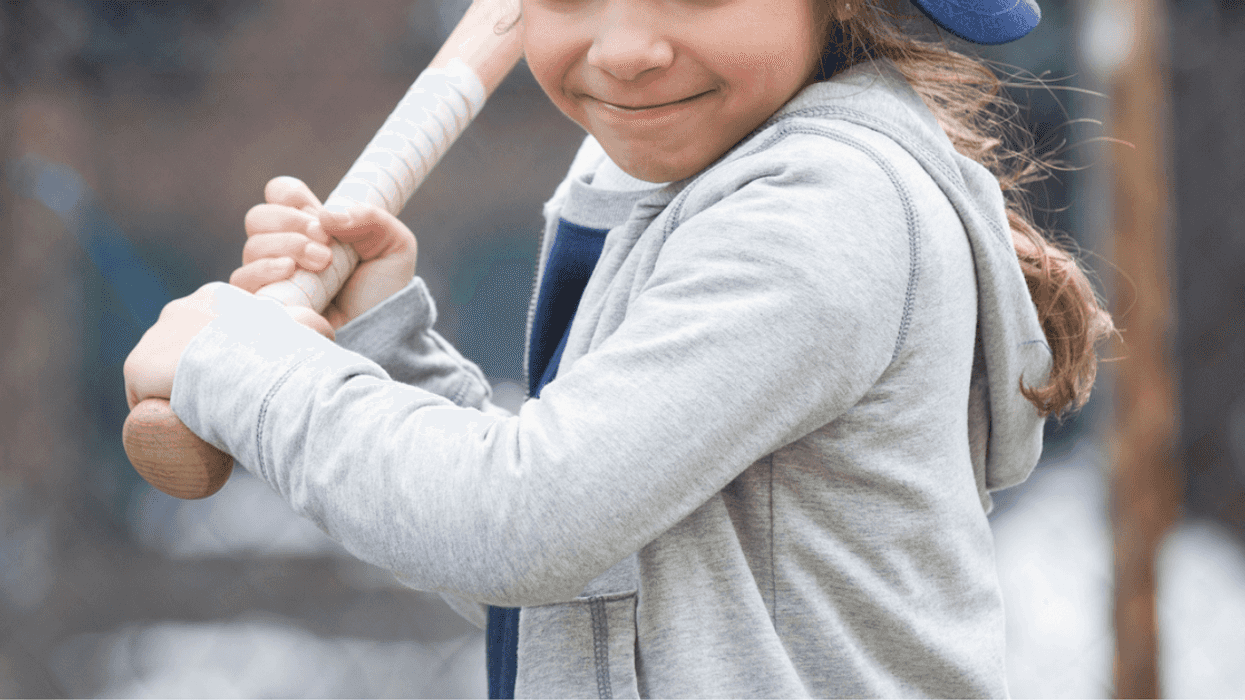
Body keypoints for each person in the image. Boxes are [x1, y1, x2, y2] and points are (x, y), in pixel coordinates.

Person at [124, 0, 1114, 695]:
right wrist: (383, 347)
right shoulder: (674, 173)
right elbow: (579, 577)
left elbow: (523, 522)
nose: (629, 45)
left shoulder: (817, 210)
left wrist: (241, 368)